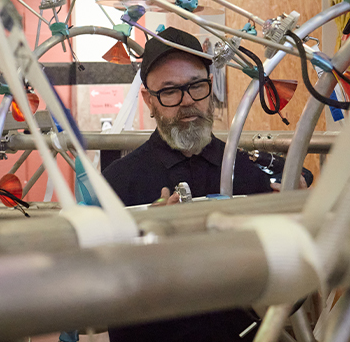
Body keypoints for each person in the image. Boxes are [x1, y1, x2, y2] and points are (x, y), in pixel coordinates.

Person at [103, 27, 272, 342]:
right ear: (148, 101)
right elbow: (97, 288)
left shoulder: (248, 172)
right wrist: (147, 243)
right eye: (169, 91)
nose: (186, 102)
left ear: (210, 87)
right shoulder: (118, 183)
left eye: (196, 86)